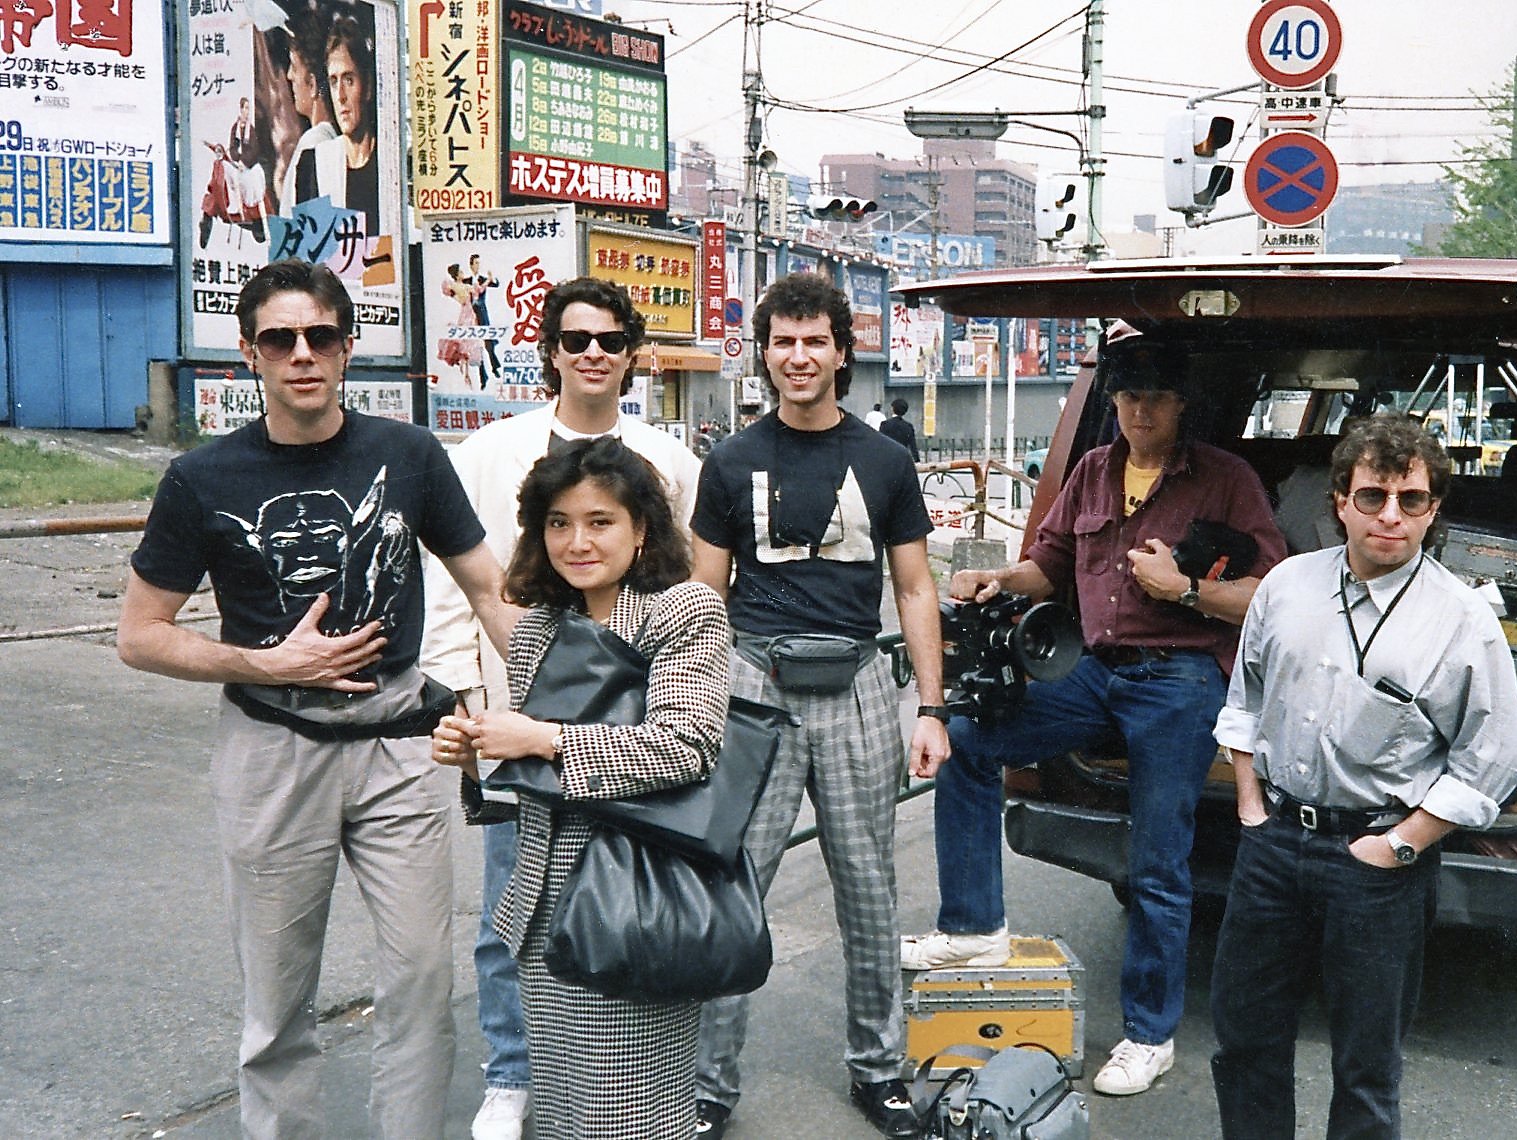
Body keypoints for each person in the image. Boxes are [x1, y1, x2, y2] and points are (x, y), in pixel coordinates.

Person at [116, 259, 518, 1139]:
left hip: (401, 746)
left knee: (418, 979)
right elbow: (139, 634)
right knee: (277, 997)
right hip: (271, 751)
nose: (302, 354)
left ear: (347, 347)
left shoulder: (408, 457)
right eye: (279, 339)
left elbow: (490, 589)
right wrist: (271, 666)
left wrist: (560, 699)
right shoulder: (203, 478)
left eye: (320, 337)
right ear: (250, 356)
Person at [899, 334, 1287, 1097]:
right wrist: (992, 579)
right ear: (1113, 403)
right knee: (968, 742)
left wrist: (1181, 590)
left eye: (1157, 398)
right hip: (1091, 669)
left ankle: (1149, 1034)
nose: (1141, 410)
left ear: (1181, 406)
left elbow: (1271, 597)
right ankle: (974, 930)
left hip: (1178, 677)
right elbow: (1044, 568)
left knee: (1157, 856)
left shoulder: (1225, 480)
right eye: (1129, 397)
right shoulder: (1092, 470)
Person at [421, 275, 703, 1140]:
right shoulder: (485, 453)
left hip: (628, 744)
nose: (591, 354)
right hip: (511, 724)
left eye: (609, 341)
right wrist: (469, 706)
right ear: (548, 350)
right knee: (518, 911)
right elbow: (452, 587)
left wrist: (539, 735)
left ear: (629, 355)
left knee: (633, 921)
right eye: (575, 339)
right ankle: (511, 1075)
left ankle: (645, 1101)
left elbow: (686, 599)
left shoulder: (674, 462)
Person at [1209, 413, 1517, 1138]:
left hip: (1378, 861)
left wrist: (1401, 845)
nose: (1390, 516)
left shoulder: (1460, 619)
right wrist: (1251, 809)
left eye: (1409, 500)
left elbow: (1496, 755)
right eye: (1371, 495)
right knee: (1245, 1040)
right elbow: (1244, 701)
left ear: (1433, 508)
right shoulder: (1286, 586)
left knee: (1365, 1065)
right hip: (1274, 843)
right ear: (1340, 501)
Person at [688, 272, 951, 1139]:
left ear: (843, 352)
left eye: (814, 342)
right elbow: (703, 594)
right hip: (752, 685)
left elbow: (914, 589)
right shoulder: (728, 461)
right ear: (764, 353)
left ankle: (877, 1069)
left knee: (868, 890)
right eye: (783, 341)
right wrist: (694, 705)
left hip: (856, 682)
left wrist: (931, 709)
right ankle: (707, 1087)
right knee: (732, 888)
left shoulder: (883, 460)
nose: (798, 357)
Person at [280, 8, 341, 213]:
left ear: (313, 85)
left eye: (295, 67)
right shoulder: (332, 140)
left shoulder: (314, 144)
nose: (289, 76)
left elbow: (309, 229)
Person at [325, 13, 379, 236]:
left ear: (366, 86)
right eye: (333, 81)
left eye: (349, 80)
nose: (340, 96)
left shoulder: (386, 166)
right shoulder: (315, 165)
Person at [438, 264, 480, 387]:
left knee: (465, 344)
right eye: (461, 272)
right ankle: (465, 375)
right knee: (467, 343)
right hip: (467, 313)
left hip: (465, 313)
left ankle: (465, 374)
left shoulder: (455, 286)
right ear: (457, 275)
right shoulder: (463, 287)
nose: (463, 273)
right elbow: (477, 292)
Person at [469, 253, 503, 380]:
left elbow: (496, 284)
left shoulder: (483, 279)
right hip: (470, 315)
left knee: (488, 341)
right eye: (476, 263)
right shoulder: (467, 280)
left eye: (479, 263)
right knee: (475, 345)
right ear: (471, 265)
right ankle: (482, 375)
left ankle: (494, 367)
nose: (478, 266)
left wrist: (491, 278)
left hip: (482, 313)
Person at [878, 396, 919, 462]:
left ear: (892, 409)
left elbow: (880, 443)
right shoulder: (908, 426)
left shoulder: (885, 424)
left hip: (888, 458)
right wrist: (917, 460)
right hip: (902, 459)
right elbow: (913, 446)